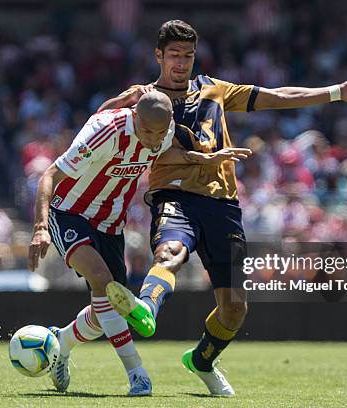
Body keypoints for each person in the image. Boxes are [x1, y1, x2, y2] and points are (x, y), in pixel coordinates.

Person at [99, 19, 347, 396]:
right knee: (170, 252)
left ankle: (202, 360)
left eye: (188, 55)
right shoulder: (146, 99)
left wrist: (334, 92)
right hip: (175, 196)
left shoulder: (215, 90)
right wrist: (113, 110)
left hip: (223, 206)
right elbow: (103, 119)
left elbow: (276, 96)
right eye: (174, 56)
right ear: (158, 56)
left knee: (235, 310)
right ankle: (145, 307)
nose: (181, 63)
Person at [28, 90, 251, 396]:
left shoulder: (164, 131)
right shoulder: (105, 130)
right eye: (146, 131)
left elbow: (163, 153)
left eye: (159, 133)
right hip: (69, 212)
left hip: (110, 222)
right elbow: (49, 175)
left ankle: (61, 343)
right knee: (104, 283)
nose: (152, 139)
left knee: (108, 309)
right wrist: (41, 228)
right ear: (135, 116)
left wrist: (197, 158)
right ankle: (137, 374)